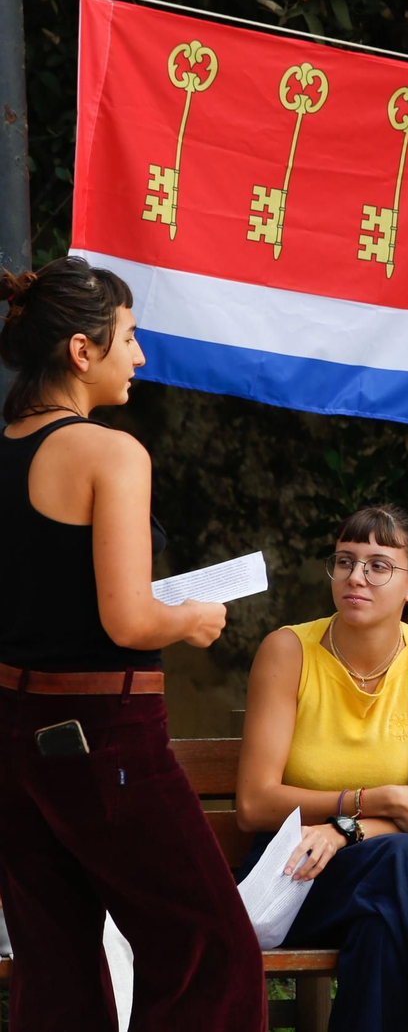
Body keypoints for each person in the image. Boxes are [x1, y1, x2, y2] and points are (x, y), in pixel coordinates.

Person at [0, 257, 266, 1030]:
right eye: (129, 337)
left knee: (55, 972)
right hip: (103, 734)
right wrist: (189, 619)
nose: (140, 356)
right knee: (211, 954)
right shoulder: (111, 453)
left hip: (13, 737)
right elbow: (128, 622)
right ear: (82, 351)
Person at [235, 504, 408, 1032]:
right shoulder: (288, 650)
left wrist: (345, 829)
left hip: (389, 871)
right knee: (406, 865)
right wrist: (372, 800)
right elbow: (253, 804)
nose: (356, 577)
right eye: (345, 561)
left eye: (378, 565)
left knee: (384, 923)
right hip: (294, 877)